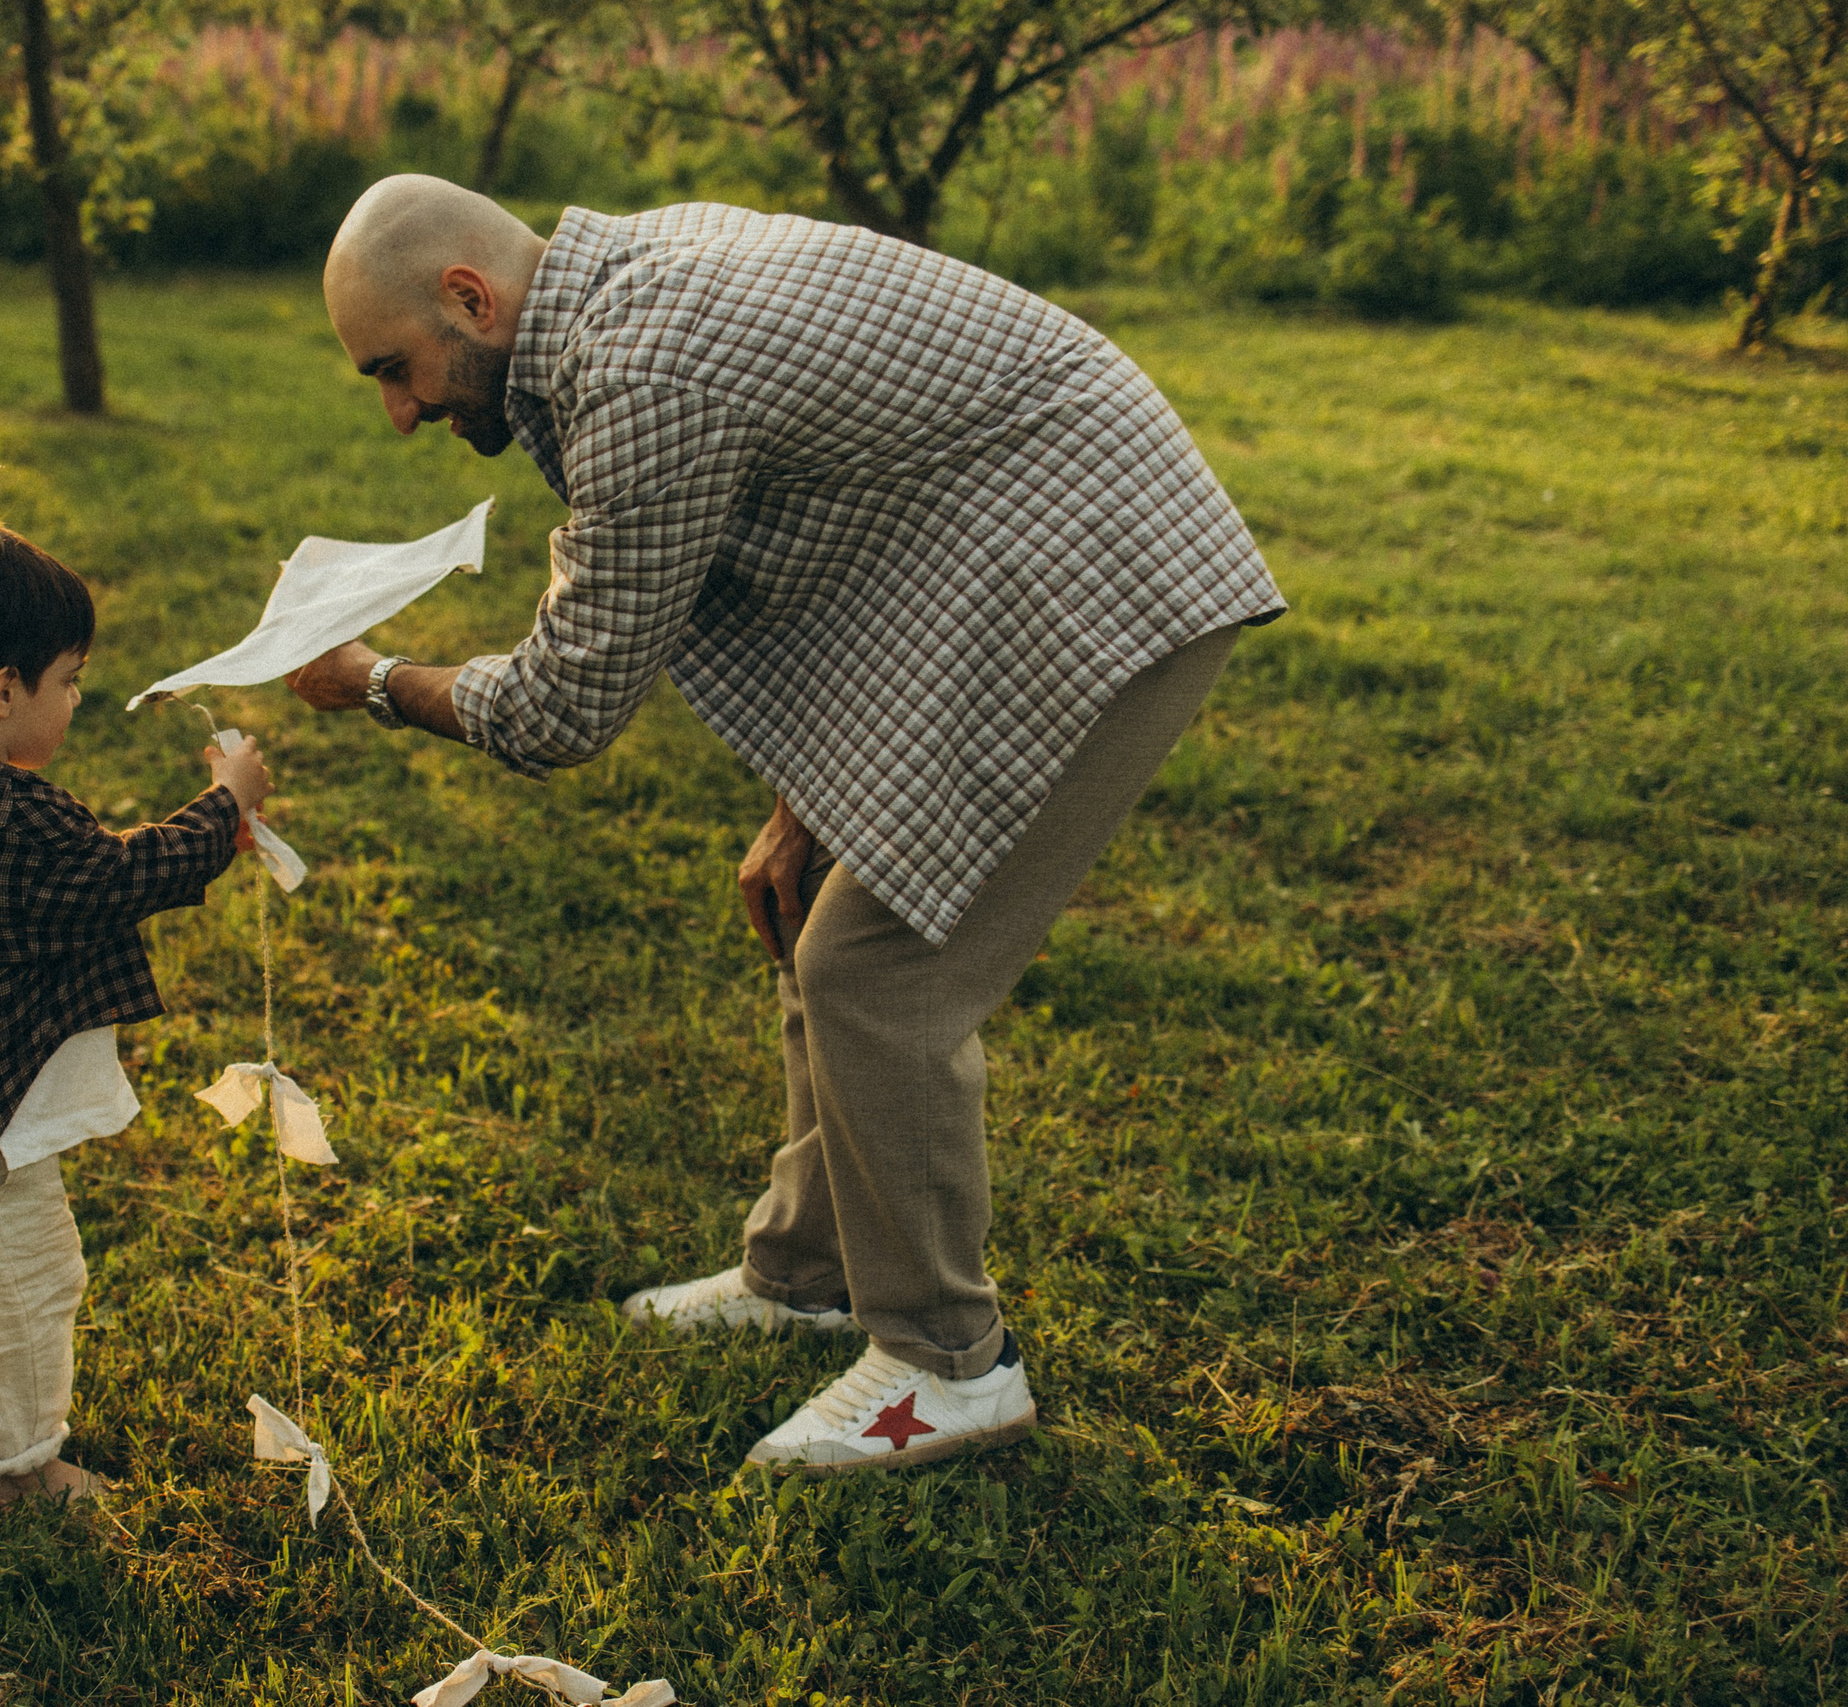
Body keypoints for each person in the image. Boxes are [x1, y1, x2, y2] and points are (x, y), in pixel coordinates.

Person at [288, 176, 1285, 1474]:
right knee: (824, 915)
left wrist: (371, 678)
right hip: (1001, 552)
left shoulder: (642, 368)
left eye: (399, 369)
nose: (402, 411)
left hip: (1105, 575)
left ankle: (946, 1362)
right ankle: (806, 1267)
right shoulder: (625, 283)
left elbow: (563, 703)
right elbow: (825, 561)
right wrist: (803, 801)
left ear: (470, 299)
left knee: (873, 972)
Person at [0, 519, 271, 1505]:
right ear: (3, 692)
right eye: (69, 680)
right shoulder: (12, 819)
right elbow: (119, 876)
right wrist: (224, 807)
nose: (75, 699)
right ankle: (17, 1469)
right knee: (22, 1299)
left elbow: (69, 885)